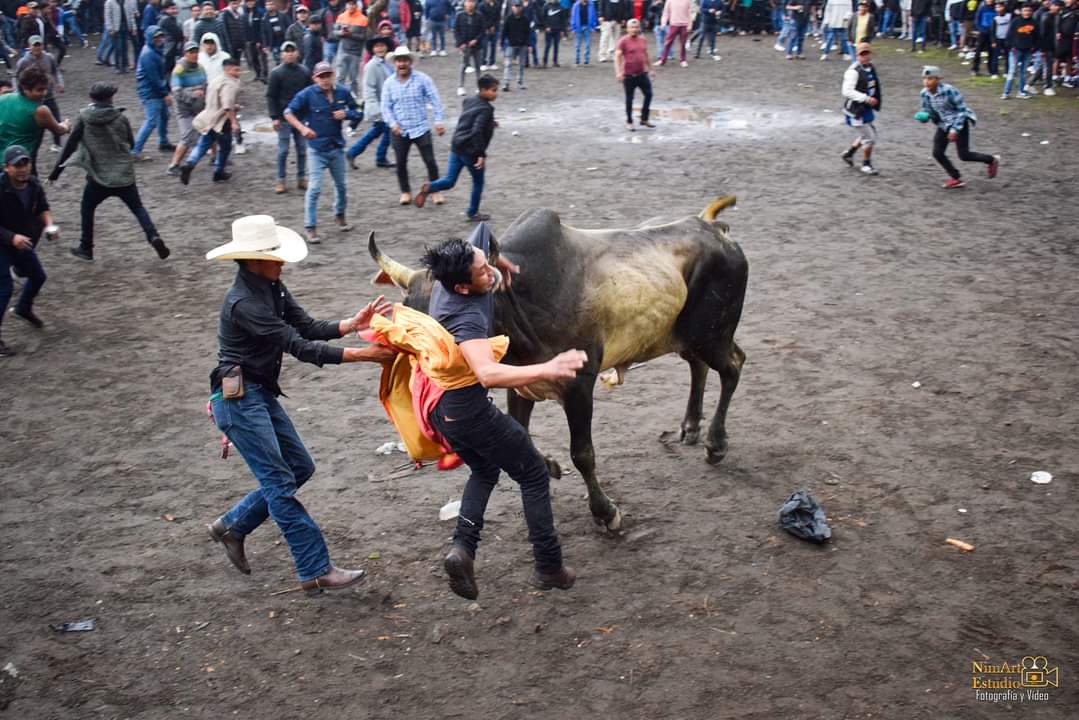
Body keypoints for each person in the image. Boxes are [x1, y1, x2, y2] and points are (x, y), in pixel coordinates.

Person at [204, 213, 395, 594]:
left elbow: (305, 326)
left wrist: (351, 324)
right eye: (274, 256)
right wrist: (363, 355)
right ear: (254, 260)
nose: (281, 262)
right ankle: (315, 568)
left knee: (298, 467)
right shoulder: (243, 302)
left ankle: (233, 526)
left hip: (256, 392)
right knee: (279, 482)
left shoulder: (270, 287)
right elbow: (300, 347)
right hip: (239, 400)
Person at [420, 228, 584, 600]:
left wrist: (498, 260)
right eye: (481, 273)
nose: (488, 273)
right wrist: (548, 368)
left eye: (484, 262)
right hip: (469, 410)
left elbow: (482, 236)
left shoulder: (457, 268)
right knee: (533, 474)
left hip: (442, 407)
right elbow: (488, 373)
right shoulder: (466, 319)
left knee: (484, 470)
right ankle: (549, 567)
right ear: (462, 288)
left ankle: (462, 548)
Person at [49, 82, 169, 262]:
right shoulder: (121, 118)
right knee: (138, 208)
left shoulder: (83, 117)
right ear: (110, 98)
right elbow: (132, 143)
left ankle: (86, 247)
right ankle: (153, 236)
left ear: (92, 98)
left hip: (98, 177)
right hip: (124, 175)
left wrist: (57, 171)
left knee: (87, 208)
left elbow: (71, 145)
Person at [283, 61, 360, 243]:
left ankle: (339, 216)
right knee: (315, 188)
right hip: (317, 150)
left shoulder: (343, 91)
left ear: (333, 75)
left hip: (336, 148)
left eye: (328, 75)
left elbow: (358, 111)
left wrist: (347, 114)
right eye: (321, 76)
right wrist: (302, 129)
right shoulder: (307, 95)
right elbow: (288, 112)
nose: (325, 80)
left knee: (341, 186)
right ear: (315, 78)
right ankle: (310, 227)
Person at [414, 73, 497, 221]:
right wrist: (480, 154)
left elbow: (470, 119)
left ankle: (430, 187)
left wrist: (491, 123)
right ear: (483, 90)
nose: (496, 93)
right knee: (478, 182)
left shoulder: (468, 100)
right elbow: (476, 130)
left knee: (450, 180)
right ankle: (473, 212)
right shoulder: (487, 109)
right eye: (493, 90)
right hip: (471, 151)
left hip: (456, 145)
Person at [0, 145, 51, 357]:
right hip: (4, 242)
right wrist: (11, 237)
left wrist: (49, 225)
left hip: (20, 241)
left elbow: (42, 208)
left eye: (25, 163)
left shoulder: (33, 185)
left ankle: (23, 308)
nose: (23, 169)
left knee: (38, 276)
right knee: (4, 288)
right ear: (6, 168)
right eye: (17, 165)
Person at [916, 65, 999, 189]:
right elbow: (929, 111)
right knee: (937, 153)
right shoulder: (924, 94)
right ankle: (955, 178)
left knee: (964, 155)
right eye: (925, 78)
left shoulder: (949, 90)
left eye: (931, 78)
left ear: (938, 79)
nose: (927, 82)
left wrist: (955, 130)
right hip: (943, 124)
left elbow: (962, 110)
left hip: (959, 122)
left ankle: (991, 160)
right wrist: (926, 116)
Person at [380, 45, 444, 205]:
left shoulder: (423, 79)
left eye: (404, 61)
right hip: (399, 130)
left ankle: (435, 190)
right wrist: (392, 124)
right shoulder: (388, 83)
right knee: (400, 163)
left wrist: (438, 120)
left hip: (420, 127)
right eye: (399, 61)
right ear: (394, 63)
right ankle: (405, 191)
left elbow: (435, 99)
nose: (402, 64)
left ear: (410, 62)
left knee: (430, 161)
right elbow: (385, 107)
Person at [179, 56, 240, 184]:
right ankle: (219, 171)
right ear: (228, 70)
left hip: (209, 118)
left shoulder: (216, 80)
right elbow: (227, 106)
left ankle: (190, 163)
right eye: (236, 70)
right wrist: (234, 122)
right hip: (222, 121)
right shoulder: (230, 84)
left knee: (203, 144)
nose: (238, 73)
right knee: (225, 147)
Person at [0, 66, 70, 174]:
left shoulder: (4, 98)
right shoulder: (39, 111)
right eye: (40, 89)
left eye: (45, 88)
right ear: (25, 89)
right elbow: (59, 130)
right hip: (20, 164)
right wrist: (66, 125)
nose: (45, 93)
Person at [267, 40, 310, 193]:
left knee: (302, 149)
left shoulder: (304, 71)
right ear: (282, 54)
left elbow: (309, 94)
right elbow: (271, 96)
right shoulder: (276, 73)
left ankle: (301, 178)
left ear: (297, 53)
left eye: (293, 50)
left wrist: (309, 115)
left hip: (301, 118)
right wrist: (274, 117)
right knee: (283, 150)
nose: (290, 53)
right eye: (287, 51)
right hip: (283, 118)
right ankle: (281, 180)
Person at [346, 34, 394, 168]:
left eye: (382, 46)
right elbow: (368, 89)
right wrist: (375, 109)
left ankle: (353, 152)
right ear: (372, 49)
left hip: (387, 105)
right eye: (377, 46)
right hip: (379, 106)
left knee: (376, 131)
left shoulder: (388, 63)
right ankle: (379, 157)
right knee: (387, 131)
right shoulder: (371, 66)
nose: (380, 49)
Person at [14, 35, 64, 153]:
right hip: (33, 99)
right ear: (29, 47)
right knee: (37, 125)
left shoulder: (49, 57)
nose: (37, 48)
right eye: (35, 45)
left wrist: (59, 83)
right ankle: (33, 148)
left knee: (56, 120)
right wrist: (19, 92)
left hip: (49, 96)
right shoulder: (23, 62)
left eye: (39, 45)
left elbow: (55, 70)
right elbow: (16, 77)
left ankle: (57, 144)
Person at [131, 25, 175, 156]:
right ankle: (135, 151)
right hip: (151, 92)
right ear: (150, 38)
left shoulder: (154, 50)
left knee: (164, 115)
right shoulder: (149, 54)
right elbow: (154, 78)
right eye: (156, 37)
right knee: (151, 121)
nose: (160, 39)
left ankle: (163, 142)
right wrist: (165, 93)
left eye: (161, 36)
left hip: (154, 89)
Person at [841, 42, 881, 175]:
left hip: (865, 108)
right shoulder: (853, 71)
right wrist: (866, 98)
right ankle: (866, 164)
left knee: (869, 133)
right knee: (870, 137)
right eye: (862, 54)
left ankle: (849, 153)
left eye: (867, 53)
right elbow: (846, 91)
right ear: (857, 55)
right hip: (856, 110)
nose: (865, 56)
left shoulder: (869, 67)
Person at [167, 41, 206, 175]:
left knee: (209, 130)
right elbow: (176, 92)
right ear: (185, 54)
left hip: (198, 107)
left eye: (196, 51)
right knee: (188, 136)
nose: (194, 54)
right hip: (184, 109)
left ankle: (215, 157)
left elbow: (205, 84)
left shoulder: (200, 68)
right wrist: (192, 94)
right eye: (191, 52)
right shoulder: (179, 70)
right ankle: (173, 165)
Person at [615, 17, 653, 130]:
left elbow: (646, 55)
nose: (634, 29)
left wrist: (651, 69)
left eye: (636, 27)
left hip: (642, 73)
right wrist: (618, 72)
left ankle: (644, 118)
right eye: (632, 27)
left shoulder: (642, 40)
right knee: (629, 98)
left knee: (649, 94)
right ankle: (629, 121)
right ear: (627, 29)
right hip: (628, 75)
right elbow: (617, 57)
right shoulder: (623, 41)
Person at [334, 0, 367, 96]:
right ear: (346, 5)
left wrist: (351, 34)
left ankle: (355, 98)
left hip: (355, 52)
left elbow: (364, 37)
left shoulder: (363, 19)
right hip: (342, 50)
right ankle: (338, 97)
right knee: (340, 77)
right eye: (349, 4)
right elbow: (334, 32)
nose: (351, 6)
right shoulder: (341, 16)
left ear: (356, 5)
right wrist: (341, 33)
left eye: (353, 4)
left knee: (353, 78)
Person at [1003, 2, 1037, 98]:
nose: (1027, 12)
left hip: (1028, 50)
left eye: (1029, 11)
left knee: (1023, 72)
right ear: (1021, 11)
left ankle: (1021, 91)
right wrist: (1010, 46)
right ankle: (1006, 92)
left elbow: (1037, 37)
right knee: (1012, 71)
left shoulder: (1034, 23)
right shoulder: (1015, 21)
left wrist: (1034, 47)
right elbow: (1009, 35)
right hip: (1015, 50)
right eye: (1025, 10)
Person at [455, 0, 484, 95]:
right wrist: (460, 43)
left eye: (472, 2)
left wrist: (476, 40)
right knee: (463, 65)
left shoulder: (479, 16)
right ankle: (460, 86)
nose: (470, 4)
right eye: (468, 2)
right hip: (464, 45)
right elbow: (456, 30)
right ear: (465, 3)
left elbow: (482, 31)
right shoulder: (460, 16)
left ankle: (479, 86)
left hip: (477, 45)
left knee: (478, 66)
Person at [104, 0, 139, 73]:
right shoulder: (109, 2)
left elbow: (131, 15)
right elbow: (107, 16)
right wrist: (110, 29)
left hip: (125, 27)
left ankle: (125, 66)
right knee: (118, 48)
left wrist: (133, 27)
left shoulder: (127, 2)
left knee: (125, 48)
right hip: (116, 29)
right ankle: (118, 66)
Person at [501, 0, 530, 88]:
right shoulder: (508, 19)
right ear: (512, 7)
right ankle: (506, 83)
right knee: (508, 64)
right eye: (515, 6)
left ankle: (519, 82)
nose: (517, 8)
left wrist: (528, 44)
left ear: (521, 7)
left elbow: (528, 33)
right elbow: (504, 32)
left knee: (521, 65)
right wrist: (502, 43)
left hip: (522, 44)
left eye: (518, 6)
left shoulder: (525, 19)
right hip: (511, 44)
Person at [655, 0, 689, 65]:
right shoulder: (670, 1)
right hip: (673, 24)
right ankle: (662, 60)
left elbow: (689, 13)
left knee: (683, 44)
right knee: (668, 42)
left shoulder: (687, 1)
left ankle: (683, 60)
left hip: (684, 25)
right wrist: (663, 23)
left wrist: (690, 24)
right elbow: (666, 13)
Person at [570, 0, 597, 64]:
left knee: (587, 45)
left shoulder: (591, 5)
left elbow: (594, 16)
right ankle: (577, 59)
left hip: (587, 27)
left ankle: (586, 60)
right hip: (578, 27)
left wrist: (593, 27)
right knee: (577, 45)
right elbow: (573, 17)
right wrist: (573, 28)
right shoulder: (576, 5)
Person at [541, 0, 565, 67]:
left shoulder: (561, 7)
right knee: (547, 46)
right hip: (549, 30)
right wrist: (546, 27)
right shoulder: (546, 7)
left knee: (556, 46)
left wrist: (562, 30)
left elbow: (563, 20)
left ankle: (555, 61)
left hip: (557, 29)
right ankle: (544, 62)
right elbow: (543, 18)